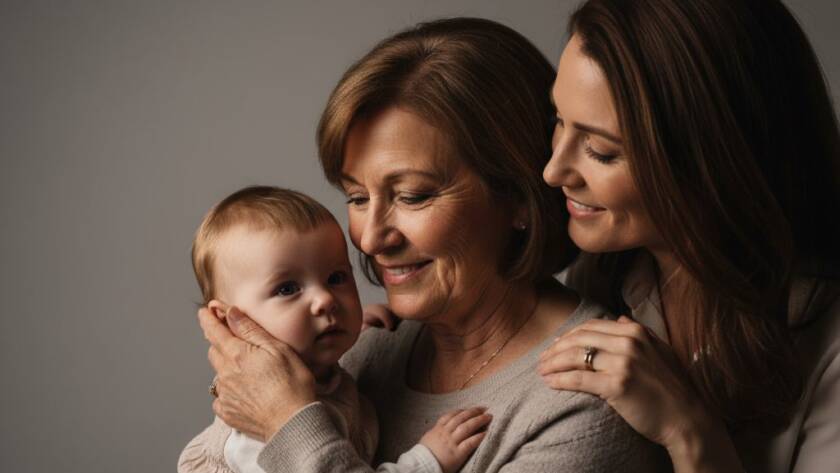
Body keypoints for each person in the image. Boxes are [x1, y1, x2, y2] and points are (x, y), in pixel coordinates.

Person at [196, 18, 670, 473]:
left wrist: (286, 420)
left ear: (520, 197)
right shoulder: (360, 348)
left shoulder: (584, 406)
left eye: (413, 196)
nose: (371, 237)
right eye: (358, 197)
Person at [537, 1, 840, 472]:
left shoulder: (828, 344)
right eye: (559, 120)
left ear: (714, 162)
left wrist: (689, 432)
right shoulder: (603, 280)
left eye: (601, 151)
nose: (554, 171)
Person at [178, 186, 492, 473]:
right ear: (227, 320)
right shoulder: (254, 438)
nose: (326, 300)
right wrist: (427, 461)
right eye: (287, 289)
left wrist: (358, 327)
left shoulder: (321, 376)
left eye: (336, 278)